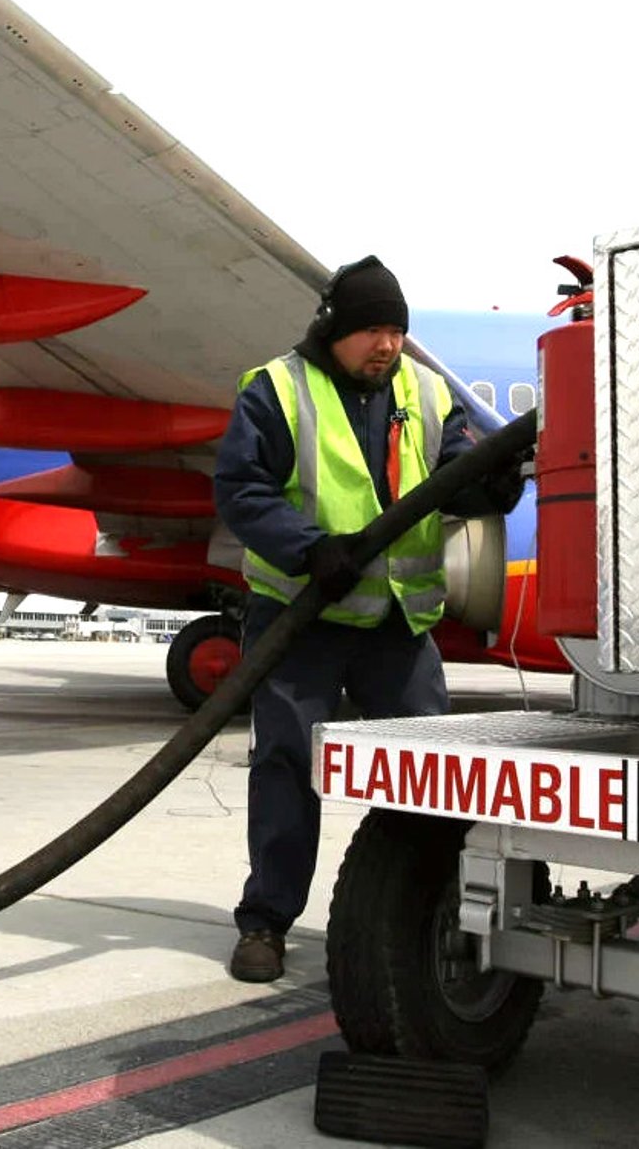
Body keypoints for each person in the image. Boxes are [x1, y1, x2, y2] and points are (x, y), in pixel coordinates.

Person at [211, 255, 523, 983]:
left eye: (396, 331)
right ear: (333, 329)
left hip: (397, 622)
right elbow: (242, 490)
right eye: (372, 331)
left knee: (432, 772)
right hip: (303, 616)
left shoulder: (425, 391)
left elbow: (454, 480)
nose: (387, 345)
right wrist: (309, 549)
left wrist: (496, 485)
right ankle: (266, 921)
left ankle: (431, 913)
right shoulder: (278, 388)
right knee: (287, 766)